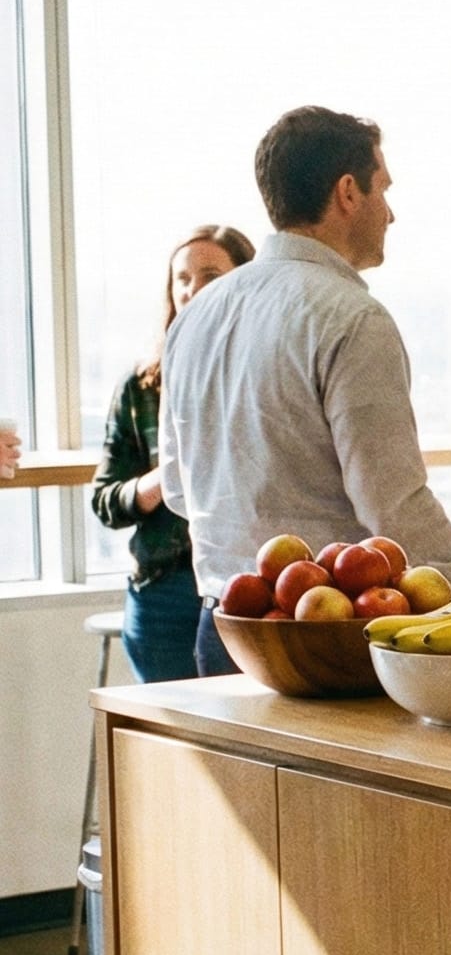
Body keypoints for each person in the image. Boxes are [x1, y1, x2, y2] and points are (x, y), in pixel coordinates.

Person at [161, 106, 451, 677]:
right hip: (330, 637)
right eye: (384, 189)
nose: (391, 213)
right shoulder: (352, 318)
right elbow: (391, 501)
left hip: (224, 628)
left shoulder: (194, 317)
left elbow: (177, 489)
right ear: (348, 192)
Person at [92, 225, 255, 681]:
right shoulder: (141, 386)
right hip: (164, 589)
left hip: (247, 586)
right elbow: (105, 501)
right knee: (166, 724)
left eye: (210, 275)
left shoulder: (264, 372)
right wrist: (166, 478)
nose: (193, 289)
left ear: (246, 280)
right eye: (182, 278)